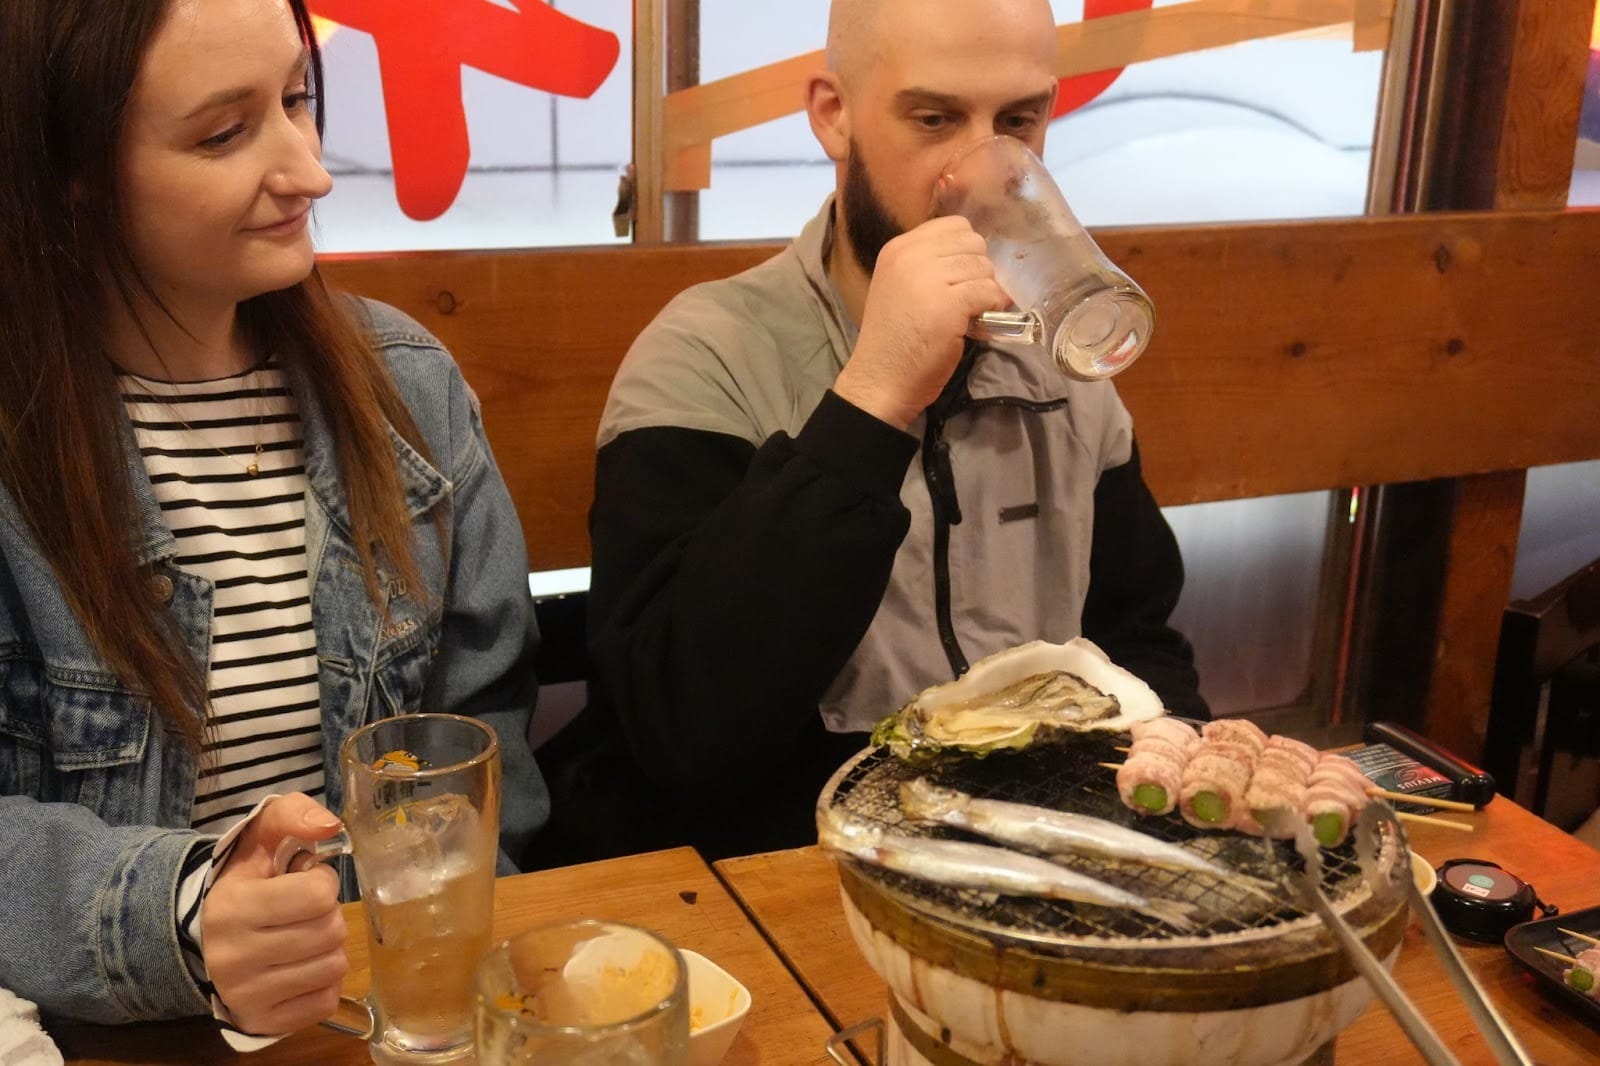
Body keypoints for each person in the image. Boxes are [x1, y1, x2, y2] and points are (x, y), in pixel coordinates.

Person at [538, 0, 1207, 866]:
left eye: (1017, 122)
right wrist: (877, 394)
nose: (978, 168)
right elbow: (683, 732)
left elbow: (1135, 632)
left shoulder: (1058, 359)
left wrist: (1183, 755)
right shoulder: (707, 354)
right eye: (933, 119)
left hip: (1034, 853)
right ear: (833, 112)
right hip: (791, 864)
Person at [0, 0, 546, 1039]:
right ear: (67, 170)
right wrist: (186, 912)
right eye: (224, 132)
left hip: (381, 1010)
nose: (309, 171)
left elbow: (486, 744)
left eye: (298, 99)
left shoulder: (407, 390)